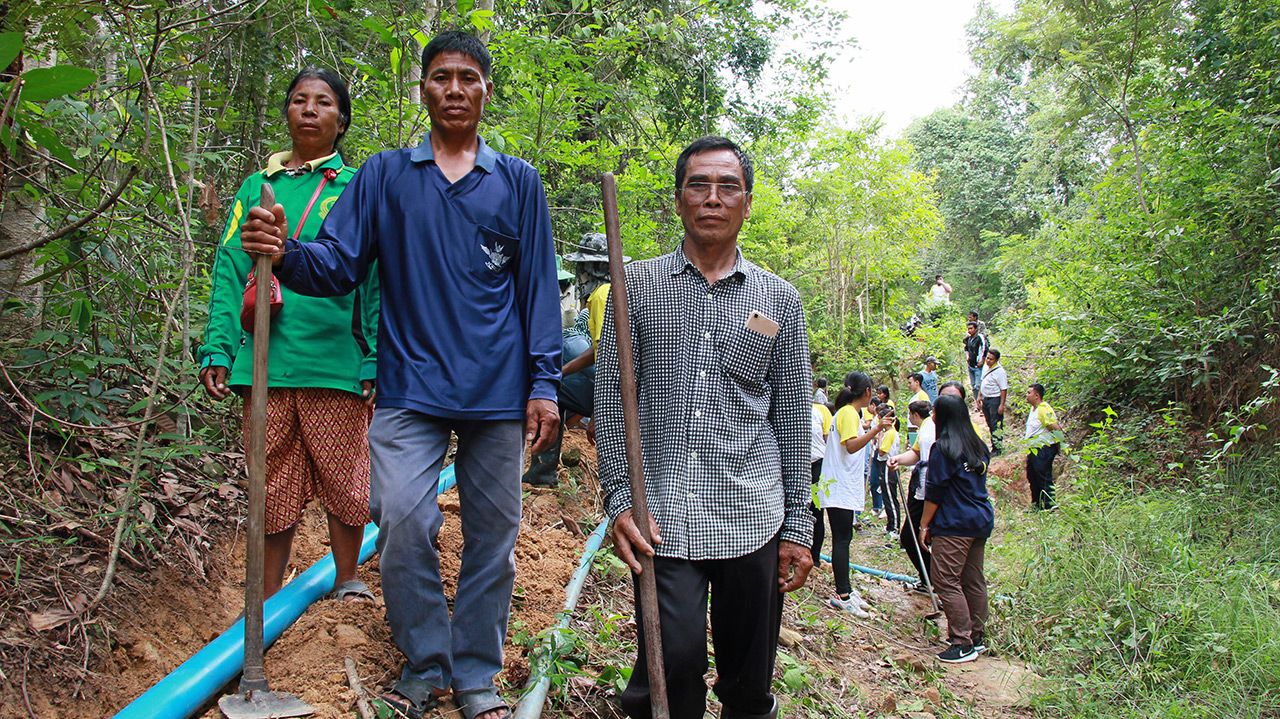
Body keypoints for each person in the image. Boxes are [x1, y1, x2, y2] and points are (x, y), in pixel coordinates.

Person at [240, 32, 561, 719]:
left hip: (498, 394)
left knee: (493, 537)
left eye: (467, 78)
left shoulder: (518, 183)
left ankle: (474, 672)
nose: (453, 88)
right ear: (423, 90)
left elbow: (537, 291)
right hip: (410, 388)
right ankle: (424, 660)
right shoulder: (386, 176)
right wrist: (285, 250)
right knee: (404, 519)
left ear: (485, 92)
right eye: (441, 76)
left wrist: (543, 383)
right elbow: (337, 264)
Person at [596, 136, 812, 719]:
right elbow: (615, 407)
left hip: (755, 515)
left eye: (727, 187)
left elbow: (793, 421)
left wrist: (799, 524)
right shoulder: (632, 288)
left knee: (749, 679)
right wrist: (619, 501)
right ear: (678, 200)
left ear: (747, 202)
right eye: (698, 185)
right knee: (673, 661)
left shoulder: (780, 300)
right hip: (663, 515)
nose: (712, 199)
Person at [198, 67, 378, 604]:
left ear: (341, 120)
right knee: (270, 482)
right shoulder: (257, 187)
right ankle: (267, 595)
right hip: (266, 363)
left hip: (335, 361)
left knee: (343, 472)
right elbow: (231, 266)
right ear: (287, 112)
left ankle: (347, 580)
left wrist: (373, 357)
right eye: (299, 100)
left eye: (323, 102)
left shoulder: (357, 188)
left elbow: (372, 278)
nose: (309, 110)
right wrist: (219, 344)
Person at [523, 232, 620, 487]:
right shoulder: (613, 292)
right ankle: (542, 472)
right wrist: (560, 372)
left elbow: (615, 360)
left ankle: (542, 474)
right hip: (619, 388)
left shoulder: (602, 296)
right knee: (554, 385)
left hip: (618, 392)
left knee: (550, 394)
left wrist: (599, 412)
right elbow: (597, 351)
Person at [919, 394, 994, 663]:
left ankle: (961, 642)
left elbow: (935, 492)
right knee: (973, 579)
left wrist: (924, 524)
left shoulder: (943, 448)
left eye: (935, 412)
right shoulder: (978, 445)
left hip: (955, 523)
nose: (932, 416)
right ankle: (977, 636)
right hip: (980, 519)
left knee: (946, 580)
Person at [818, 373, 891, 618]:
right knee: (841, 539)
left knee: (844, 538)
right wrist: (877, 428)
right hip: (839, 486)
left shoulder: (849, 413)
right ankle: (843, 594)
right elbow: (851, 445)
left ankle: (846, 589)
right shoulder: (848, 413)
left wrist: (872, 427)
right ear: (868, 391)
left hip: (840, 484)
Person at [1024, 382, 1063, 509]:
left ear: (1036, 396)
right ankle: (1037, 504)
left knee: (1043, 475)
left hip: (1044, 448)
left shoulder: (1043, 409)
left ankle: (1049, 505)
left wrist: (1060, 444)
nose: (1026, 395)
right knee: (1032, 475)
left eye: (1029, 393)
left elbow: (1054, 427)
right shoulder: (1033, 409)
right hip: (1034, 448)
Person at [809, 397, 833, 566]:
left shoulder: (818, 412)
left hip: (817, 465)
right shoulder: (785, 409)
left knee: (816, 511)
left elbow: (827, 437)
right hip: (797, 467)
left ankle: (815, 557)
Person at [873, 405, 902, 538]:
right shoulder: (888, 433)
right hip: (885, 466)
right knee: (886, 495)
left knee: (890, 497)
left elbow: (882, 451)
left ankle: (895, 527)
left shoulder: (890, 433)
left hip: (888, 466)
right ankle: (891, 525)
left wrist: (879, 439)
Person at [979, 349, 1009, 456]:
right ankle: (994, 445)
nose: (988, 361)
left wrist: (1001, 404)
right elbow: (982, 381)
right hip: (986, 399)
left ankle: (998, 447)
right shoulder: (986, 367)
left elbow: (1003, 389)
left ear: (996, 360)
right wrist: (979, 396)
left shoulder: (1000, 372)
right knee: (989, 423)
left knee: (996, 423)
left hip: (995, 400)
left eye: (991, 359)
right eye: (987, 358)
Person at [964, 322, 988, 400]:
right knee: (973, 386)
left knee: (979, 385)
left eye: (971, 328)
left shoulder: (980, 337)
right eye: (968, 329)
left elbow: (985, 349)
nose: (969, 330)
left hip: (978, 365)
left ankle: (982, 403)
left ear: (976, 329)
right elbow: (966, 348)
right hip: (971, 365)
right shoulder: (969, 339)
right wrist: (967, 357)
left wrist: (982, 360)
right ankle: (977, 403)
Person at [905, 372, 930, 446]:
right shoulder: (915, 396)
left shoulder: (922, 395)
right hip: (912, 429)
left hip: (917, 429)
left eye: (910, 383)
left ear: (917, 382)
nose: (908, 385)